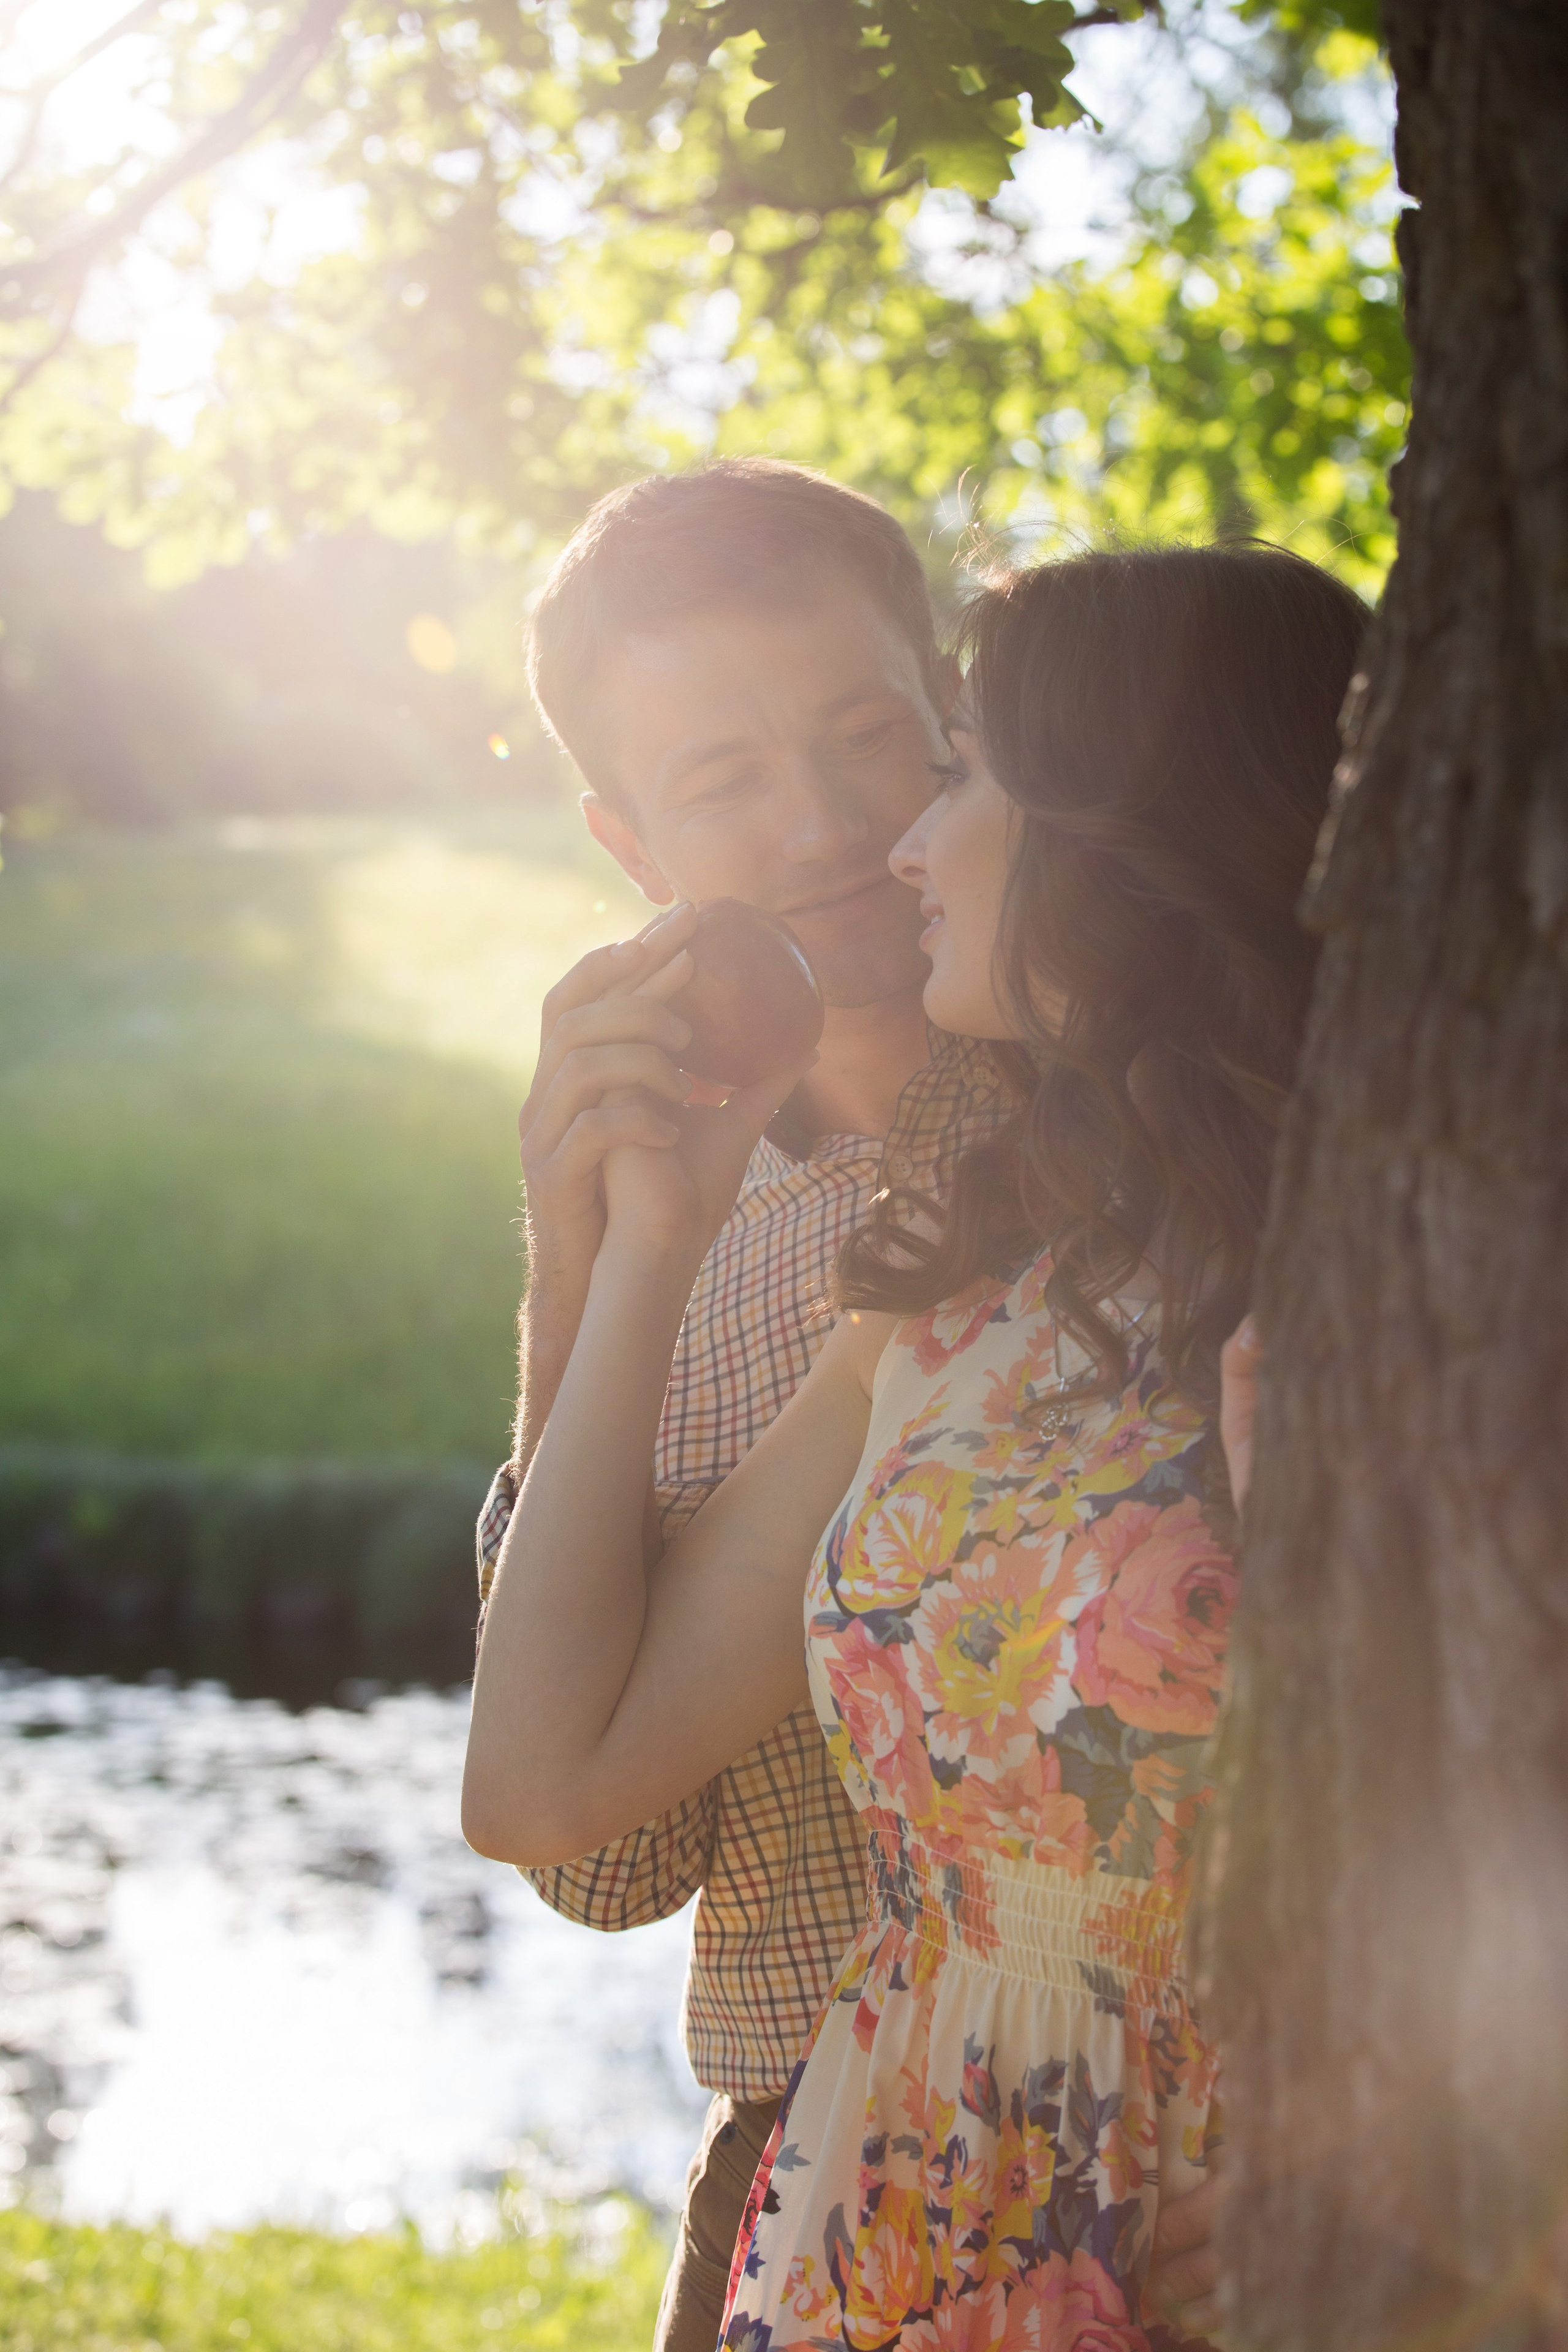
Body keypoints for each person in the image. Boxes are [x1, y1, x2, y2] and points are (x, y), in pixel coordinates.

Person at [466, 538, 1366, 2345]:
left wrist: (1417, 2134)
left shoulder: (1375, 1231)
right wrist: (617, 1260)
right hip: (864, 2186)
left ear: (1114, 825)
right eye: (725, 777)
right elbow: (572, 1827)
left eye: (913, 751)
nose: (864, 835)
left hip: (1239, 2213)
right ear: (631, 842)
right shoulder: (945, 1270)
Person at [478, 458, 1013, 2352]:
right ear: (631, 846)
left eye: (868, 734)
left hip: (1136, 2130)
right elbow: (603, 1859)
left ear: (952, 704)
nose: (825, 824)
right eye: (722, 781)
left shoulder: (1112, 1121)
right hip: (792, 2163)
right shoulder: (678, 1221)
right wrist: (580, 1279)